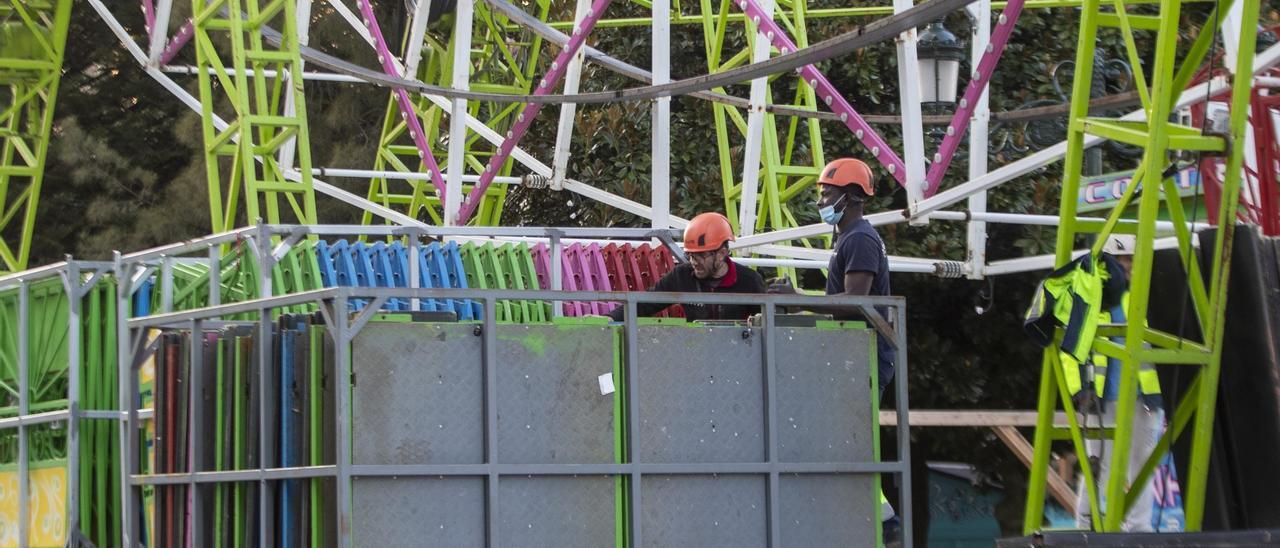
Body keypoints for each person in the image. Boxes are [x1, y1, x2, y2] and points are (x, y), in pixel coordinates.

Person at [1070, 234, 1173, 532]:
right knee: (1097, 465)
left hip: (1141, 398)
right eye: (1121, 259)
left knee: (1142, 465)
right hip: (1102, 398)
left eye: (1130, 259)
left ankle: (1139, 528)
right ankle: (1086, 527)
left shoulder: (1144, 297)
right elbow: (1070, 348)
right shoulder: (1091, 296)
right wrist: (1080, 388)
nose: (1127, 265)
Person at [769, 158, 896, 394]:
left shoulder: (860, 239)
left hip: (866, 354)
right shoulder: (849, 236)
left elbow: (855, 300)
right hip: (855, 352)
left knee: (855, 430)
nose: (819, 202)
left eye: (826, 194)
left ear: (846, 198)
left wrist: (799, 299)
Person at [608, 212, 766, 322]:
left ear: (721, 253)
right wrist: (609, 318)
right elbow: (645, 303)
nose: (694, 262)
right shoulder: (682, 276)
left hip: (740, 358)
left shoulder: (749, 281)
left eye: (701, 256)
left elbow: (772, 324)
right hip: (697, 356)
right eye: (690, 255)